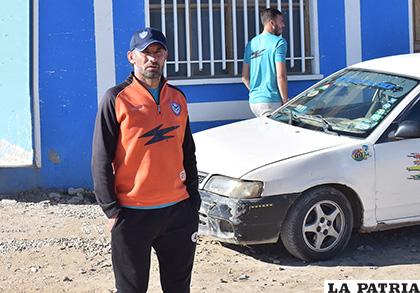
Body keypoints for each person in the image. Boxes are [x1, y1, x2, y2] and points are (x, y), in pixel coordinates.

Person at [91, 27, 201, 293]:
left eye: (158, 52)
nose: (152, 58)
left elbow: (188, 152)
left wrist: (192, 201)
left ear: (165, 56)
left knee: (178, 288)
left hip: (177, 212)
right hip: (133, 213)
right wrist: (111, 210)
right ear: (132, 57)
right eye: (146, 53)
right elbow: (100, 159)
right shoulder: (116, 99)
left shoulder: (178, 98)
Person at [242, 8, 289, 117]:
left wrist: (257, 94)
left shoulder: (251, 43)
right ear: (272, 23)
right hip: (271, 102)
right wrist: (285, 101)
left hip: (254, 102)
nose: (283, 25)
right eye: (281, 21)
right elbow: (281, 76)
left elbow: (244, 77)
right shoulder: (279, 42)